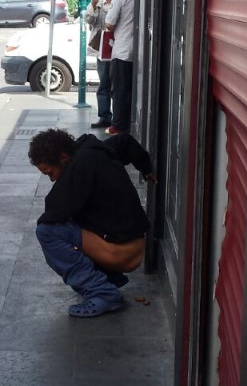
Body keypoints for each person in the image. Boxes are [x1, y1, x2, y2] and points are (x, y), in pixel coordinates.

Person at [29, 128, 156, 318]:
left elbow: (52, 213)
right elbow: (124, 142)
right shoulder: (94, 150)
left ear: (63, 157)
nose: (52, 179)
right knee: (74, 218)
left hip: (121, 252)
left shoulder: (80, 166)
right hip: (135, 244)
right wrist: (147, 168)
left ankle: (103, 293)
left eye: (51, 172)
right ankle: (108, 278)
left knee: (48, 232)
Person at [84, 0, 121, 129]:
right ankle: (105, 116)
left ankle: (119, 118)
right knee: (104, 83)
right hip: (102, 49)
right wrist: (92, 5)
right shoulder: (98, 0)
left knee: (118, 85)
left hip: (119, 47)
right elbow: (89, 20)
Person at [104, 0, 137, 135]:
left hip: (122, 49)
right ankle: (131, 121)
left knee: (119, 90)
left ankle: (117, 124)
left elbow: (109, 23)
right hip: (138, 51)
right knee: (132, 89)